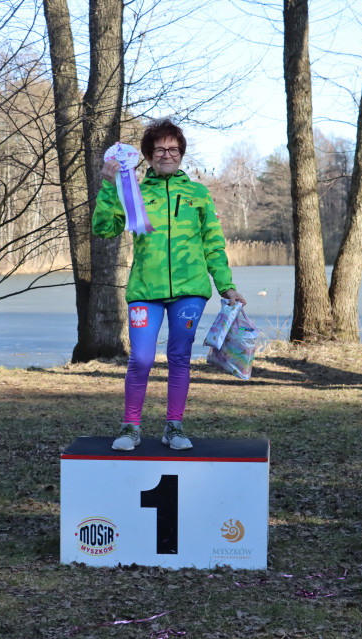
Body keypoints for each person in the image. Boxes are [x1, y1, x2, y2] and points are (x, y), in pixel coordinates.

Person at [93, 119, 246, 451]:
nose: (167, 154)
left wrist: (226, 286)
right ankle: (130, 427)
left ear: (181, 154)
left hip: (190, 291)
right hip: (145, 290)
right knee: (142, 358)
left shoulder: (198, 194)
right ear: (147, 155)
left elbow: (213, 245)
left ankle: (173, 427)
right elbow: (104, 228)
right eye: (159, 149)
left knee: (179, 357)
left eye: (173, 149)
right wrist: (107, 187)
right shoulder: (131, 190)